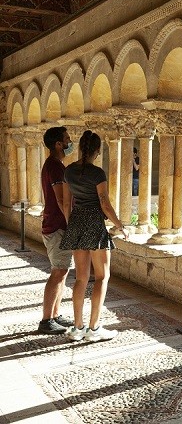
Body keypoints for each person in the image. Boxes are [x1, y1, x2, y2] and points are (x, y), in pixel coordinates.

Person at [61, 130, 129, 343]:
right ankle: (94, 328)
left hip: (77, 222)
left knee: (81, 278)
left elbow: (65, 203)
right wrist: (120, 226)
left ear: (81, 148)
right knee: (102, 277)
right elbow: (104, 204)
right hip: (94, 224)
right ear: (97, 151)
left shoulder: (69, 171)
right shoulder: (97, 173)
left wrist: (71, 223)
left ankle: (77, 327)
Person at [38, 126, 75, 335]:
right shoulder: (55, 167)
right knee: (58, 272)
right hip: (57, 226)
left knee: (62, 270)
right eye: (67, 139)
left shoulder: (55, 165)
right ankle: (46, 320)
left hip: (56, 224)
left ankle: (55, 314)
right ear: (58, 144)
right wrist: (72, 223)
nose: (71, 142)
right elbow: (62, 199)